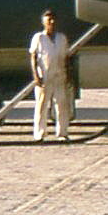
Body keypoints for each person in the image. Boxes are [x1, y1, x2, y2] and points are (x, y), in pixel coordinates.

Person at [29, 9, 71, 141]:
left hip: (59, 75)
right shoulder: (39, 38)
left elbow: (67, 57)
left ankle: (62, 133)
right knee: (42, 105)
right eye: (48, 20)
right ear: (44, 22)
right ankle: (40, 133)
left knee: (62, 104)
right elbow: (33, 57)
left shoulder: (61, 38)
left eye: (53, 20)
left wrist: (69, 74)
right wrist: (36, 75)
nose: (51, 22)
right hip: (44, 76)